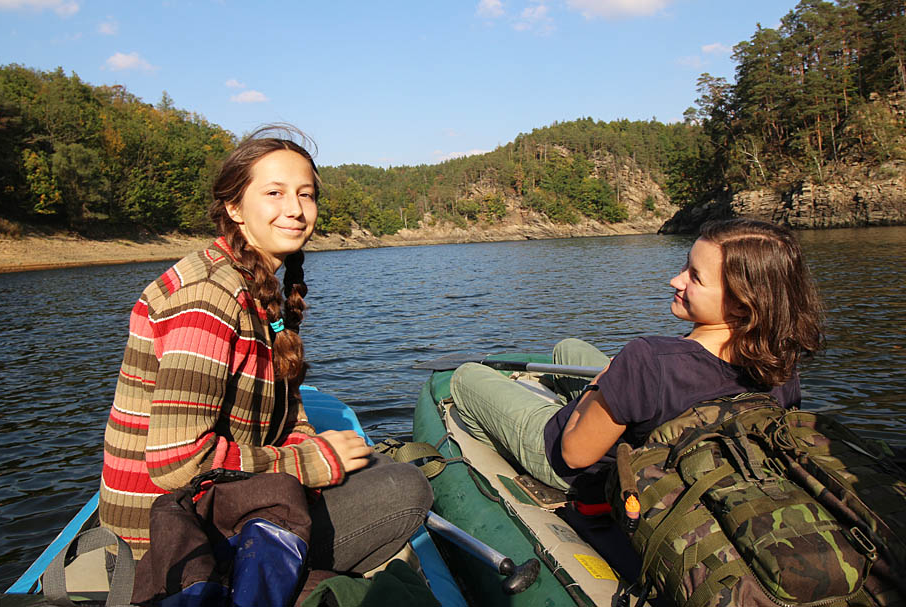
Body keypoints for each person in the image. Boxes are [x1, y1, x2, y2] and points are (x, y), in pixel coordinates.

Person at [98, 125, 432, 574]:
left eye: (306, 194)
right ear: (235, 207)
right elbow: (178, 464)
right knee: (405, 489)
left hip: (210, 505)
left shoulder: (259, 285)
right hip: (165, 540)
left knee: (368, 465)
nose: (295, 210)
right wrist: (311, 462)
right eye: (274, 193)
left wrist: (307, 445)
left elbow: (283, 411)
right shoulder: (209, 297)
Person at [449, 218, 824, 502]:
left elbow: (576, 454)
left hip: (580, 466)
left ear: (743, 303)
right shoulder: (780, 364)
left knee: (466, 377)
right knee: (568, 346)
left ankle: (506, 462)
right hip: (670, 446)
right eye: (684, 266)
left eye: (694, 277)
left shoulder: (647, 358)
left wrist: (604, 383)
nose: (675, 281)